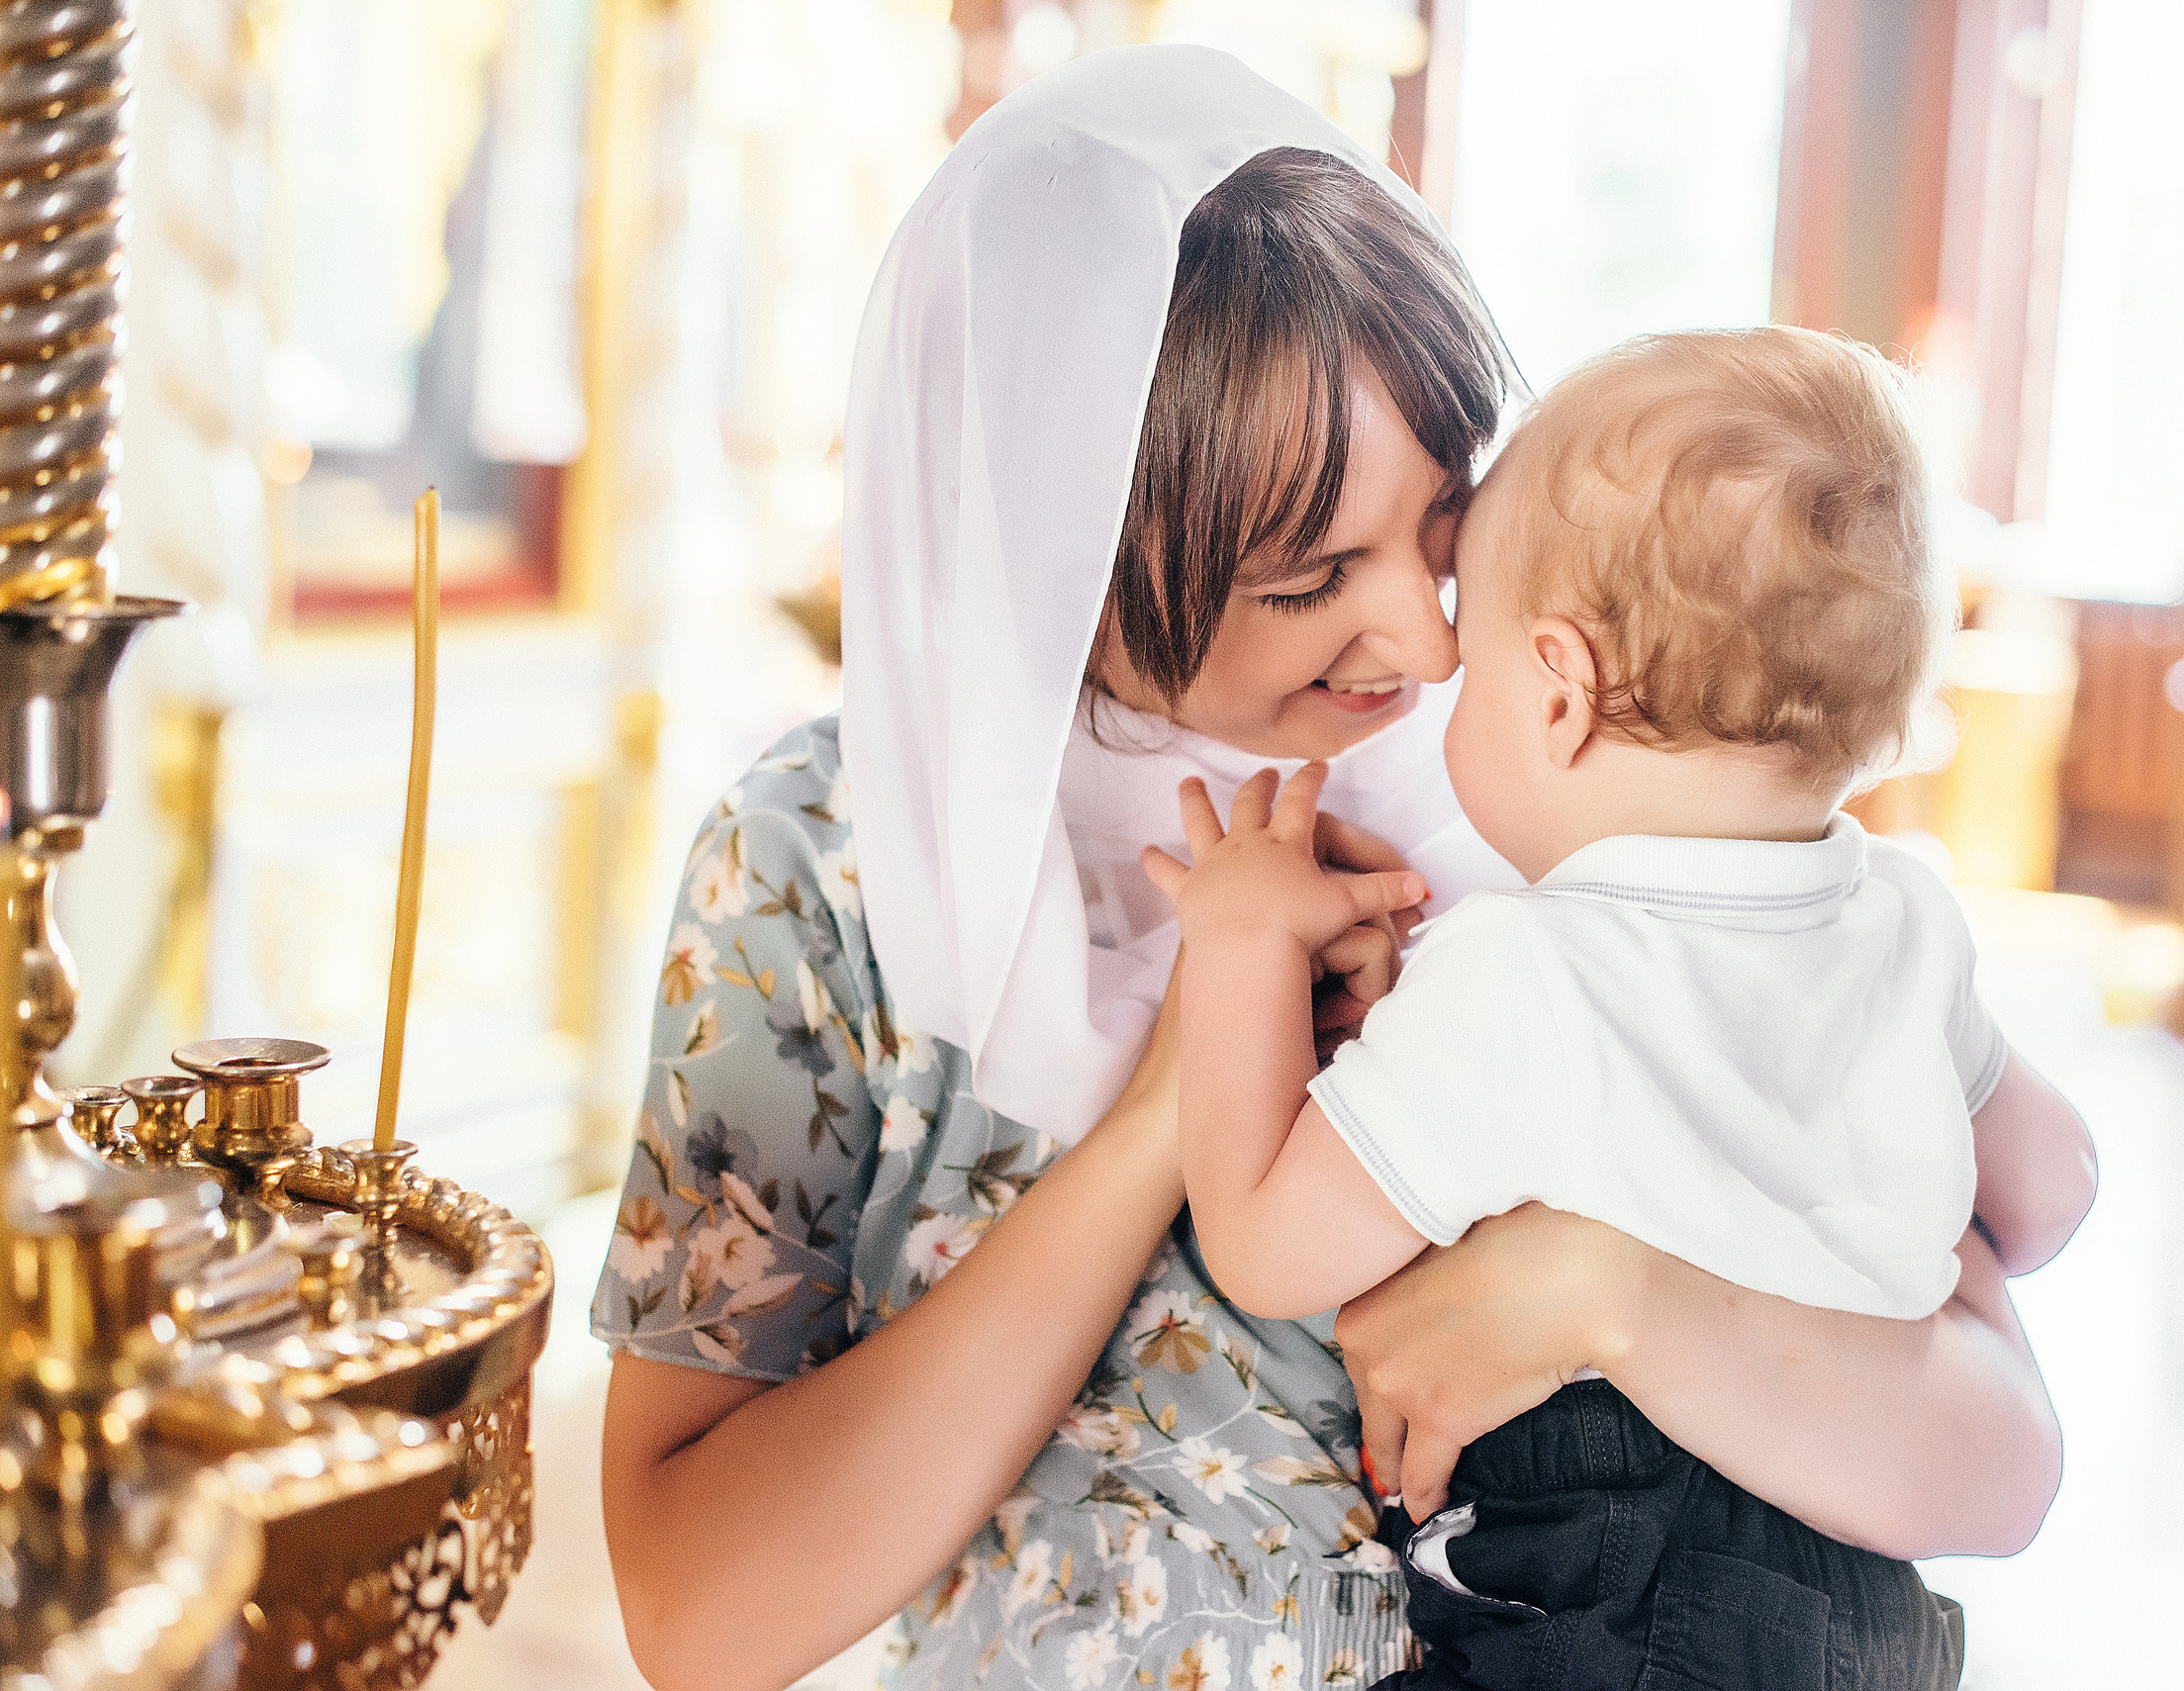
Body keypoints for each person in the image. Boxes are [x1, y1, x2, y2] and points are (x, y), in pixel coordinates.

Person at [594, 47, 2065, 1691]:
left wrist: (1617, 1297)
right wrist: (1174, 1101)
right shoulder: (824, 861)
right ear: (1065, 538)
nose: (1428, 642)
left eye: (1446, 530)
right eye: (1311, 578)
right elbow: (698, 1616)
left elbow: (2005, 1455)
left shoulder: (1583, 789)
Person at [1146, 329, 2100, 1690]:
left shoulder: (1522, 969)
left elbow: (1261, 1248)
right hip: (1868, 1608)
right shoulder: (1904, 916)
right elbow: (2052, 1190)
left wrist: (1241, 942)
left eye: (1474, 658)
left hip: (1616, 1586)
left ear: (1560, 693)